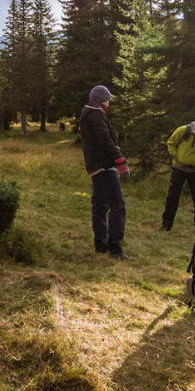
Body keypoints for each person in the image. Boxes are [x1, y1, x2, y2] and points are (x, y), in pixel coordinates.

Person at [80, 85, 134, 260]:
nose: (109, 102)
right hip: (104, 165)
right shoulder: (96, 113)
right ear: (103, 99)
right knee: (117, 206)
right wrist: (120, 161)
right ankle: (115, 249)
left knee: (100, 206)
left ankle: (101, 245)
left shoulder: (90, 112)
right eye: (108, 98)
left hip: (95, 166)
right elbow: (104, 139)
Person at [161, 118, 195, 233]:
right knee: (172, 197)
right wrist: (176, 156)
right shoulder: (183, 130)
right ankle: (166, 225)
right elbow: (171, 143)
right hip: (179, 169)